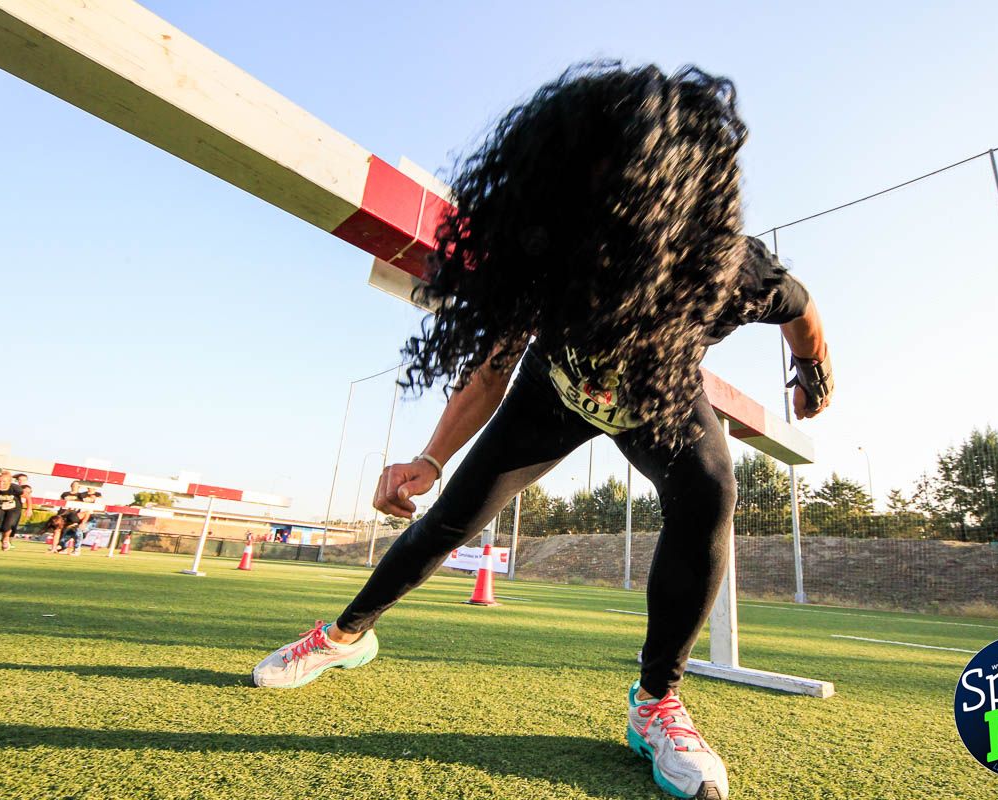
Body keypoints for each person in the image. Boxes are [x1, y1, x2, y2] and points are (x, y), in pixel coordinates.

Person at [251, 63, 833, 800]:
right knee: (452, 518)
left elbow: (802, 310)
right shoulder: (546, 251)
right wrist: (430, 458)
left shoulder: (729, 270)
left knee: (712, 488)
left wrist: (812, 370)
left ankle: (656, 704)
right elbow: (494, 367)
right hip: (548, 398)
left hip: (661, 398)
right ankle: (341, 637)